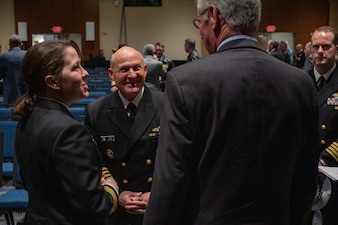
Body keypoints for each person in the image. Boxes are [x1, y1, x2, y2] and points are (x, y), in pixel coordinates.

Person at [143, 0, 319, 225]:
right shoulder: (301, 83)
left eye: (200, 23)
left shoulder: (186, 82)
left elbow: (171, 182)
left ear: (214, 16)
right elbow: (305, 180)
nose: (203, 33)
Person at [13, 39, 119, 225]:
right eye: (75, 68)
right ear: (53, 82)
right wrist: (110, 188)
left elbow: (28, 181)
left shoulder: (29, 116)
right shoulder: (69, 131)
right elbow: (94, 206)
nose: (85, 73)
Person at [85, 46, 164, 225]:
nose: (132, 75)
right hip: (118, 208)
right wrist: (116, 193)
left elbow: (177, 157)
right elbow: (94, 161)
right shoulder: (96, 111)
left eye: (136, 68)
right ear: (111, 74)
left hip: (157, 203)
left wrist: (158, 193)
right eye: (124, 69)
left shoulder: (166, 104)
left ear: (145, 70)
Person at [307, 26, 338, 225]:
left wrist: (325, 158)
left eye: (326, 46)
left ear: (336, 49)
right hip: (304, 166)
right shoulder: (298, 80)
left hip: (334, 167)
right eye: (316, 46)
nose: (320, 51)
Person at [0, 34, 27, 106]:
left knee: (13, 113)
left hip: (11, 92)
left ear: (10, 44)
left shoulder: (4, 57)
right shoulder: (27, 54)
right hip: (26, 91)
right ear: (21, 43)